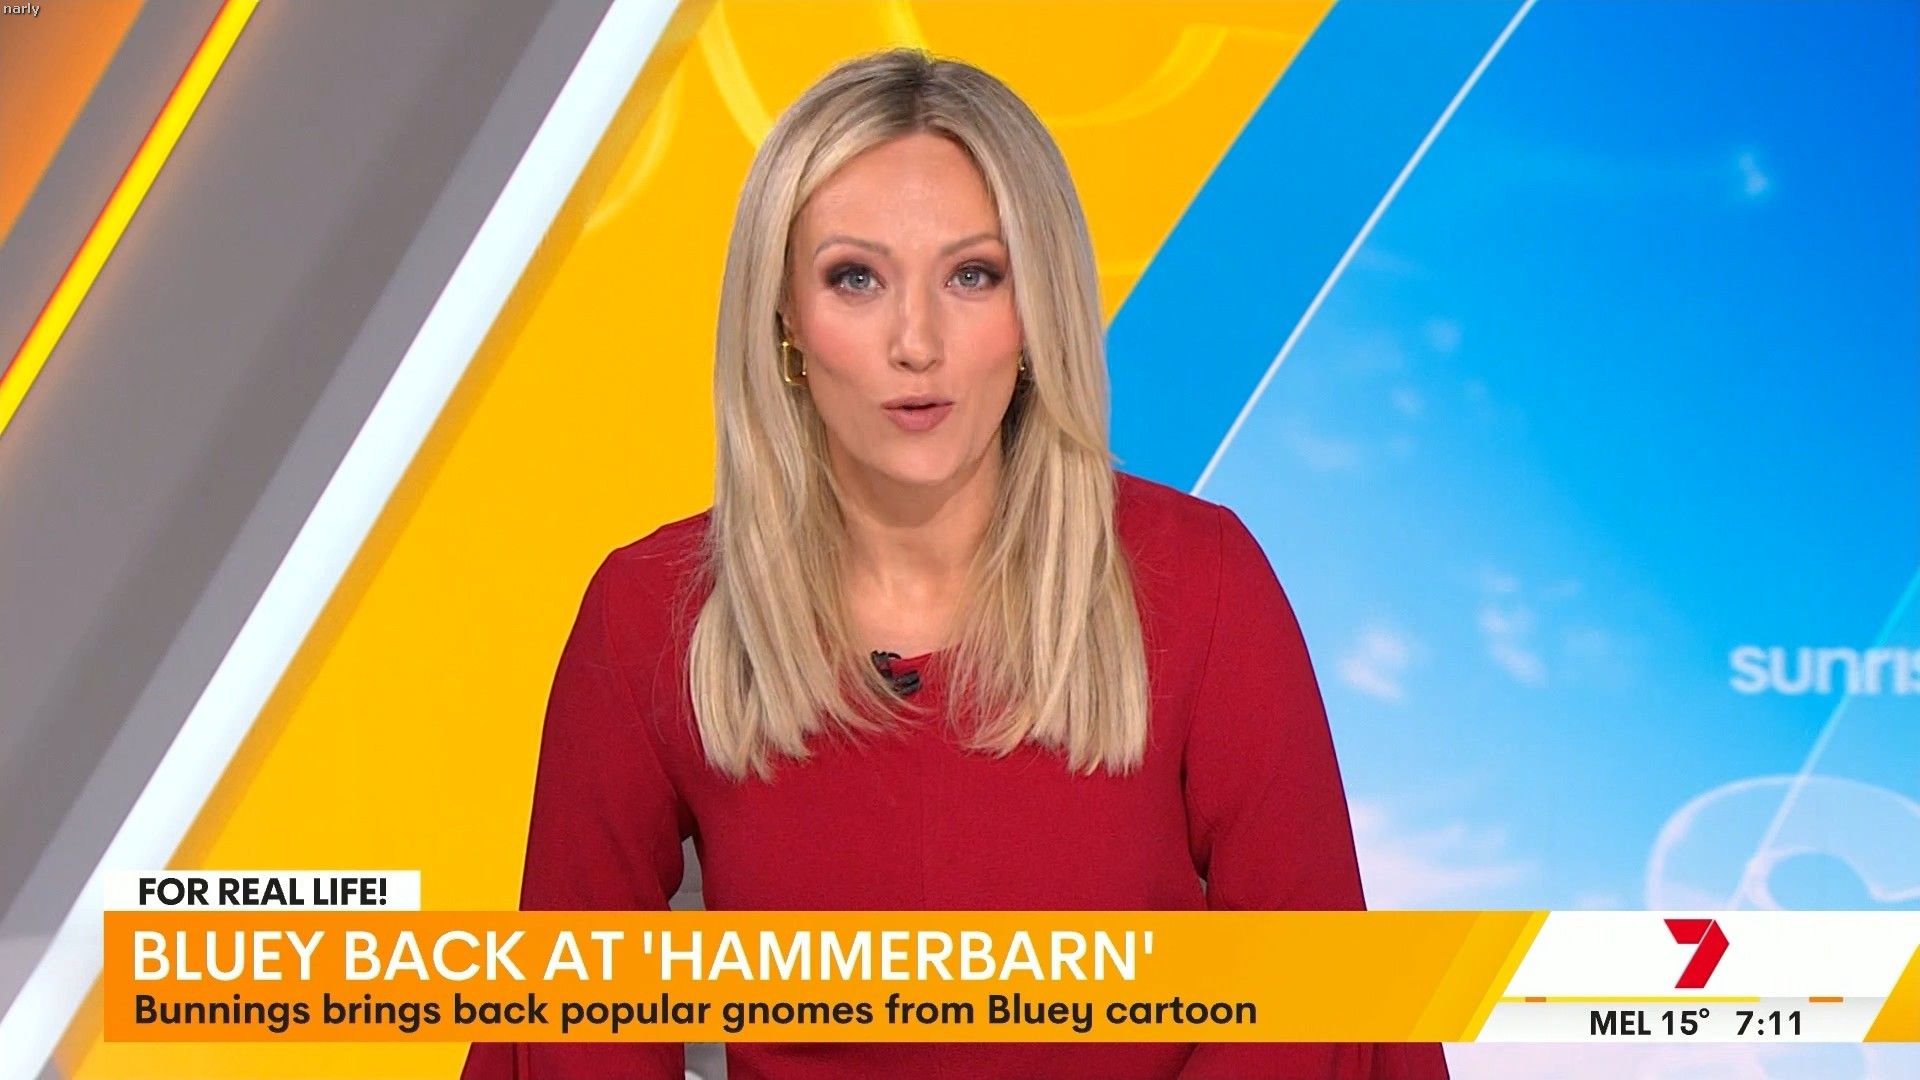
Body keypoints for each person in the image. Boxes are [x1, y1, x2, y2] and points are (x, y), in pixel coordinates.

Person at [462, 46, 1449, 1080]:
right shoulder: (651, 614)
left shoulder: (1202, 584)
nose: (917, 342)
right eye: (855, 278)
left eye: (972, 275)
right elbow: (570, 1011)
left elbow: (1308, 998)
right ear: (784, 316)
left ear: (1036, 311)